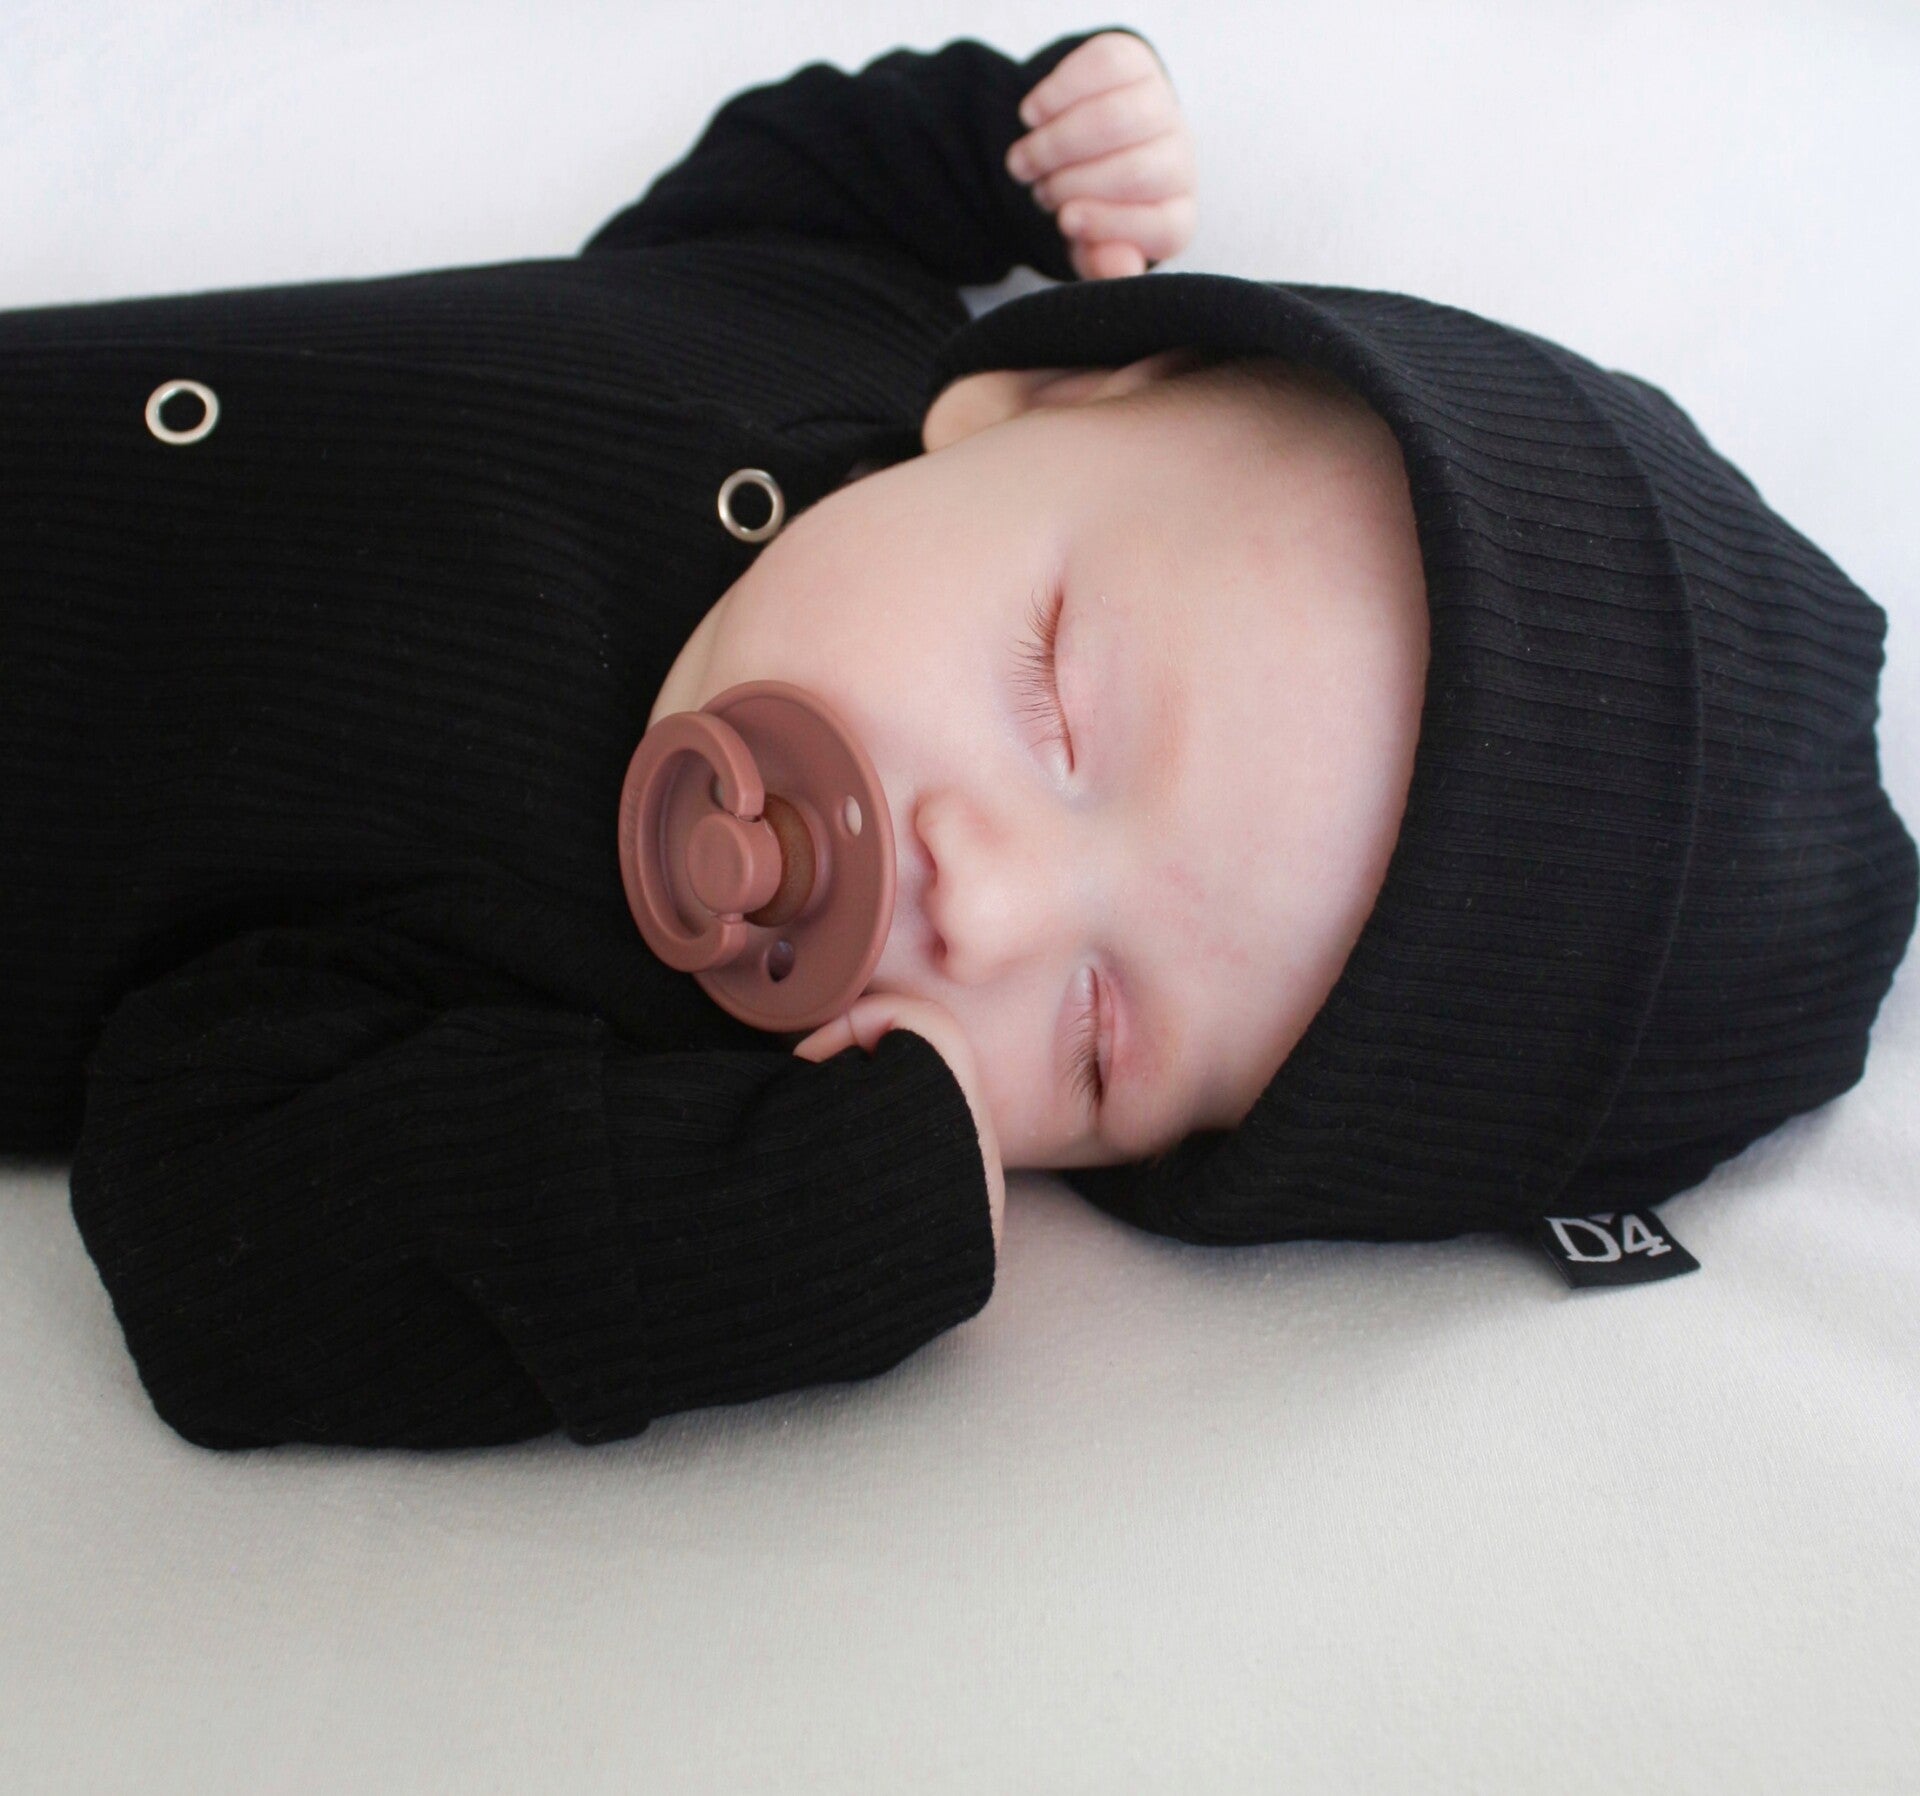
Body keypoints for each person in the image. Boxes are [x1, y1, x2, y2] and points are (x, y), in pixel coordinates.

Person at [3, 28, 1910, 1451]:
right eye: (1060, 697)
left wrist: (817, 1226)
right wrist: (1016, 139)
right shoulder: (836, 312)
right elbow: (754, 193)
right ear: (1026, 401)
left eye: (1096, 1041)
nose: (982, 903)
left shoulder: (616, 1046)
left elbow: (215, 1238)